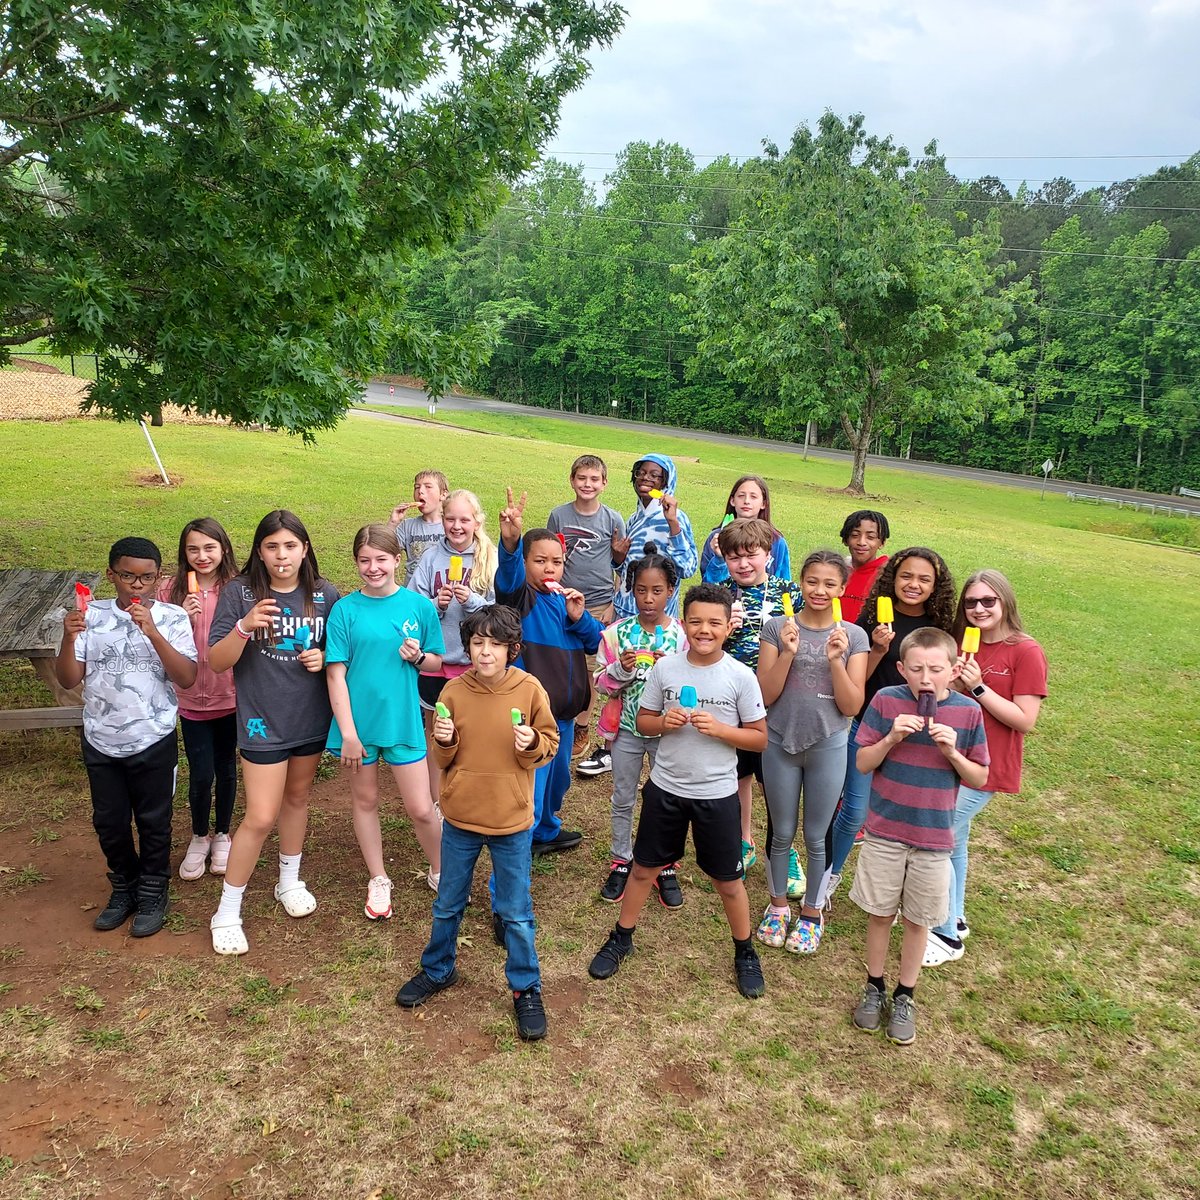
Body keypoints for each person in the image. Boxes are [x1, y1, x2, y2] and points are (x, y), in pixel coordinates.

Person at [587, 584, 769, 1000]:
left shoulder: (740, 676)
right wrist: (663, 723)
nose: (705, 630)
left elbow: (759, 740)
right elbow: (644, 721)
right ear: (684, 623)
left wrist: (721, 729)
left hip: (717, 794)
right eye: (696, 621)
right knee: (644, 868)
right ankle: (622, 936)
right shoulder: (666, 669)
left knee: (728, 880)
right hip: (666, 788)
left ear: (728, 628)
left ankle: (744, 951)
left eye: (714, 623)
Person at [395, 605, 559, 1041]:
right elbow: (444, 757)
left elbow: (550, 744)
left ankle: (525, 987)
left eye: (495, 645)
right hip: (462, 818)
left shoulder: (529, 690)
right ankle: (438, 969)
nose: (485, 653)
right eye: (478, 643)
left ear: (512, 650)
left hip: (511, 821)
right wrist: (444, 742)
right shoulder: (453, 693)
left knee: (516, 913)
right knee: (449, 903)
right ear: (467, 647)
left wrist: (532, 743)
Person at [206, 511, 340, 956]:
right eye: (272, 547)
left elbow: (339, 655)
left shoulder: (324, 595)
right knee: (261, 816)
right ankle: (227, 911)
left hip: (309, 719)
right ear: (259, 551)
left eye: (290, 546)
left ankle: (288, 881)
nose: (282, 556)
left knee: (298, 799)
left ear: (305, 549)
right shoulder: (239, 592)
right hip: (262, 722)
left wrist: (323, 658)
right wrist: (245, 626)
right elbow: (218, 661)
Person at [849, 626, 989, 1045]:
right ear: (901, 669)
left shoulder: (967, 713)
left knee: (918, 919)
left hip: (933, 837)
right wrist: (892, 737)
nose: (926, 678)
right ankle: (874, 985)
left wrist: (952, 752)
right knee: (880, 913)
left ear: (952, 670)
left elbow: (979, 776)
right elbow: (861, 763)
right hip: (885, 830)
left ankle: (905, 993)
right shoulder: (887, 701)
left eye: (935, 669)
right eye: (917, 669)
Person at [55, 537, 197, 938]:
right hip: (100, 737)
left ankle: (153, 889)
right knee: (109, 821)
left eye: (147, 577)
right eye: (127, 576)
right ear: (111, 575)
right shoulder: (90, 616)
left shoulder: (171, 617)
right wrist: (68, 638)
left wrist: (153, 633)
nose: (137, 585)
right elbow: (69, 679)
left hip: (153, 736)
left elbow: (186, 677)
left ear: (159, 578)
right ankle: (125, 885)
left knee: (155, 820)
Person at [923, 570, 1047, 966]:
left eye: (987, 601)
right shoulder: (963, 646)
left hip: (986, 765)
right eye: (971, 602)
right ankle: (954, 918)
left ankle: (944, 936)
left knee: (939, 837)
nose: (978, 609)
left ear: (1005, 602)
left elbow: (1024, 719)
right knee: (956, 842)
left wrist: (978, 688)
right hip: (951, 758)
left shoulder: (1025, 652)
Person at [325, 524, 446, 921]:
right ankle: (378, 878)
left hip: (403, 722)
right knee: (365, 800)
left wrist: (416, 657)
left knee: (422, 807)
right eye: (364, 560)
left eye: (381, 559)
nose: (373, 568)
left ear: (397, 560)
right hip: (358, 728)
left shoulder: (419, 606)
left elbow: (435, 663)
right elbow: (335, 673)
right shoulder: (345, 609)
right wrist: (347, 733)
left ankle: (441, 870)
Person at [827, 547, 957, 899]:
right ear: (892, 579)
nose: (913, 584)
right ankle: (830, 876)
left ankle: (900, 888)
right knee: (854, 812)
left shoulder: (942, 627)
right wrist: (879, 650)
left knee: (905, 815)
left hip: (919, 734)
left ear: (935, 586)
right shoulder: (872, 621)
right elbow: (859, 684)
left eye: (923, 579)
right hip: (868, 725)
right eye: (906, 576)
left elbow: (947, 683)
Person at [757, 550, 868, 955]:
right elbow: (765, 695)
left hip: (828, 745)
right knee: (781, 832)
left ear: (842, 589)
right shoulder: (776, 628)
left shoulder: (854, 636)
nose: (819, 590)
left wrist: (836, 661)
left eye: (829, 584)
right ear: (800, 583)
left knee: (816, 837)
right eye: (812, 581)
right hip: (780, 740)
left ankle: (812, 912)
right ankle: (777, 905)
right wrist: (788, 651)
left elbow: (851, 705)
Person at [495, 488, 604, 857]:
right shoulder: (520, 599)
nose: (550, 569)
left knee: (558, 780)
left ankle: (545, 831)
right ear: (526, 564)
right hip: (535, 714)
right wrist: (510, 542)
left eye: (556, 562)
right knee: (535, 784)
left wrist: (580, 616)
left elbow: (594, 644)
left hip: (565, 714)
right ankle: (520, 846)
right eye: (540, 561)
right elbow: (507, 578)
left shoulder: (564, 601)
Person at [592, 543, 687, 905]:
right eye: (642, 590)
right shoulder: (617, 635)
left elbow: (691, 689)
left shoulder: (682, 637)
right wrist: (621, 669)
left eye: (657, 590)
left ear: (670, 591)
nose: (649, 598)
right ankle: (621, 860)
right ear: (631, 590)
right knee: (623, 796)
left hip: (668, 733)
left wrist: (671, 672)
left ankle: (665, 864)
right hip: (628, 732)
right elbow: (600, 683)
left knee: (667, 800)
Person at [716, 517, 802, 879]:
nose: (744, 564)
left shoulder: (789, 592)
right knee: (739, 773)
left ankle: (784, 847)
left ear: (768, 554)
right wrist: (723, 630)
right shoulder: (719, 593)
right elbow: (702, 646)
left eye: (752, 555)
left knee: (775, 777)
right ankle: (743, 838)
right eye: (734, 558)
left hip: (778, 698)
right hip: (731, 699)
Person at [158, 518, 240, 880]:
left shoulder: (237, 589)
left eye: (209, 547)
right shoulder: (170, 590)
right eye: (193, 549)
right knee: (200, 772)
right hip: (190, 699)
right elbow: (156, 643)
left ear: (223, 548)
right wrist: (180, 618)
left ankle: (223, 834)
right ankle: (198, 836)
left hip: (232, 696)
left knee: (225, 767)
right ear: (183, 553)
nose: (202, 556)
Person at [407, 489, 498, 806]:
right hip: (435, 663)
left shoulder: (490, 557)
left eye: (464, 519)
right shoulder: (431, 558)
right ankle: (439, 803)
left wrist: (472, 601)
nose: (456, 526)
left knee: (473, 735)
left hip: (474, 665)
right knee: (438, 737)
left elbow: (500, 613)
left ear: (477, 522)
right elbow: (411, 608)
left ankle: (471, 798)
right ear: (442, 520)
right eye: (450, 519)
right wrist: (435, 604)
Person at [547, 453, 628, 765]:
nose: (587, 484)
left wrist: (612, 603)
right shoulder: (558, 515)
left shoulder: (612, 519)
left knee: (591, 670)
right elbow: (552, 555)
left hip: (598, 605)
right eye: (582, 478)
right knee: (562, 662)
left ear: (604, 483)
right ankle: (555, 719)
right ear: (572, 480)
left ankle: (582, 727)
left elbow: (622, 565)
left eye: (594, 479)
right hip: (562, 602)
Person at [611, 453, 697, 623]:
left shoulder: (676, 517)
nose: (645, 478)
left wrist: (672, 522)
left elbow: (687, 569)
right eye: (640, 473)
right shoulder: (633, 519)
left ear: (666, 482)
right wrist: (618, 559)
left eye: (654, 475)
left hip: (658, 618)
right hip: (625, 613)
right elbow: (628, 572)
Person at [700, 474, 791, 585]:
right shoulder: (716, 538)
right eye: (741, 496)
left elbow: (784, 583)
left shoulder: (777, 541)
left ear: (763, 503)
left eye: (753, 496)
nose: (746, 501)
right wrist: (719, 559)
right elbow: (707, 586)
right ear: (732, 500)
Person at [387, 468, 449, 582]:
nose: (420, 491)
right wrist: (393, 523)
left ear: (443, 494)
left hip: (441, 590)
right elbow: (384, 549)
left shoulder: (451, 526)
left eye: (428, 487)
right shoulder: (407, 526)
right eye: (417, 487)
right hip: (413, 591)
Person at [839, 509, 890, 623]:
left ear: (882, 543)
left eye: (870, 537)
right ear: (846, 539)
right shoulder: (836, 571)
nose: (861, 542)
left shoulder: (887, 576)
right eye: (855, 535)